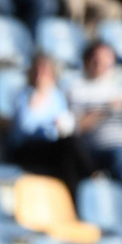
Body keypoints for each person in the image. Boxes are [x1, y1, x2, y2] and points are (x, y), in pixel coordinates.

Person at [67, 41, 122, 186]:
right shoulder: (77, 89)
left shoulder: (119, 87)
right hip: (98, 149)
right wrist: (106, 110)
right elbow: (77, 126)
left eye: (108, 58)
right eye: (98, 58)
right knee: (120, 159)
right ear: (88, 61)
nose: (103, 63)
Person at [9, 53, 90, 187]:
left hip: (51, 147)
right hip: (28, 148)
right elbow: (24, 128)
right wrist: (37, 103)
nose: (40, 75)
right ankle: (91, 175)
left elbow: (65, 124)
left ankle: (80, 188)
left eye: (44, 71)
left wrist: (58, 126)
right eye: (37, 70)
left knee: (70, 151)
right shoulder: (24, 96)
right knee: (68, 147)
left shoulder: (57, 97)